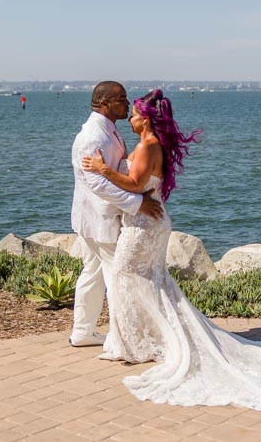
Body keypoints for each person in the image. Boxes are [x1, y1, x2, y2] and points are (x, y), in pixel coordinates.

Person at [82, 89, 261, 409]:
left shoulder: (147, 146)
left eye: (133, 114)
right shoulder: (151, 144)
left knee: (125, 276)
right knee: (151, 280)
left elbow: (133, 184)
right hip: (150, 222)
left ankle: (137, 344)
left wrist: (103, 169)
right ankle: (148, 340)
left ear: (145, 119)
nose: (129, 119)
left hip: (144, 226)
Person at [69, 81, 164, 347]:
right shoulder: (93, 137)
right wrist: (137, 203)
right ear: (105, 104)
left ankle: (83, 332)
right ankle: (120, 338)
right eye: (121, 99)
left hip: (95, 218)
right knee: (116, 277)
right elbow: (97, 183)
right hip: (101, 220)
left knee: (94, 272)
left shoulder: (107, 130)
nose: (126, 103)